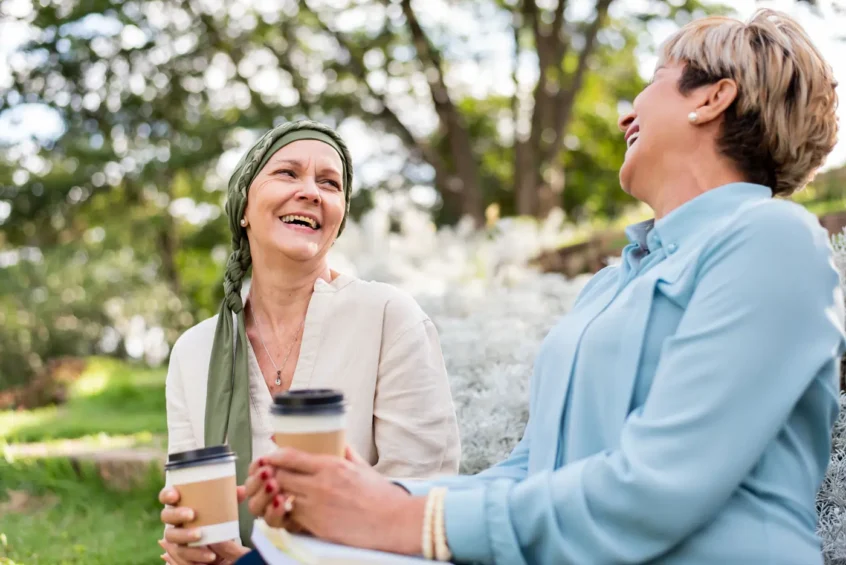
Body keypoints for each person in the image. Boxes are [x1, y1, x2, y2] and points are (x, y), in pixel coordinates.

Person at [245, 9, 846, 564]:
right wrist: (362, 492)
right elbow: (532, 471)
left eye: (656, 78)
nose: (623, 114)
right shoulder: (609, 286)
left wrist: (404, 518)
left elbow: (656, 487)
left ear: (713, 97)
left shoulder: (773, 240)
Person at [156, 120, 461, 565]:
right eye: (287, 173)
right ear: (243, 205)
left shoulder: (389, 317)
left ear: (338, 217)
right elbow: (193, 507)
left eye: (329, 183)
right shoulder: (194, 351)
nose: (311, 192)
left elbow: (419, 491)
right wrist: (190, 541)